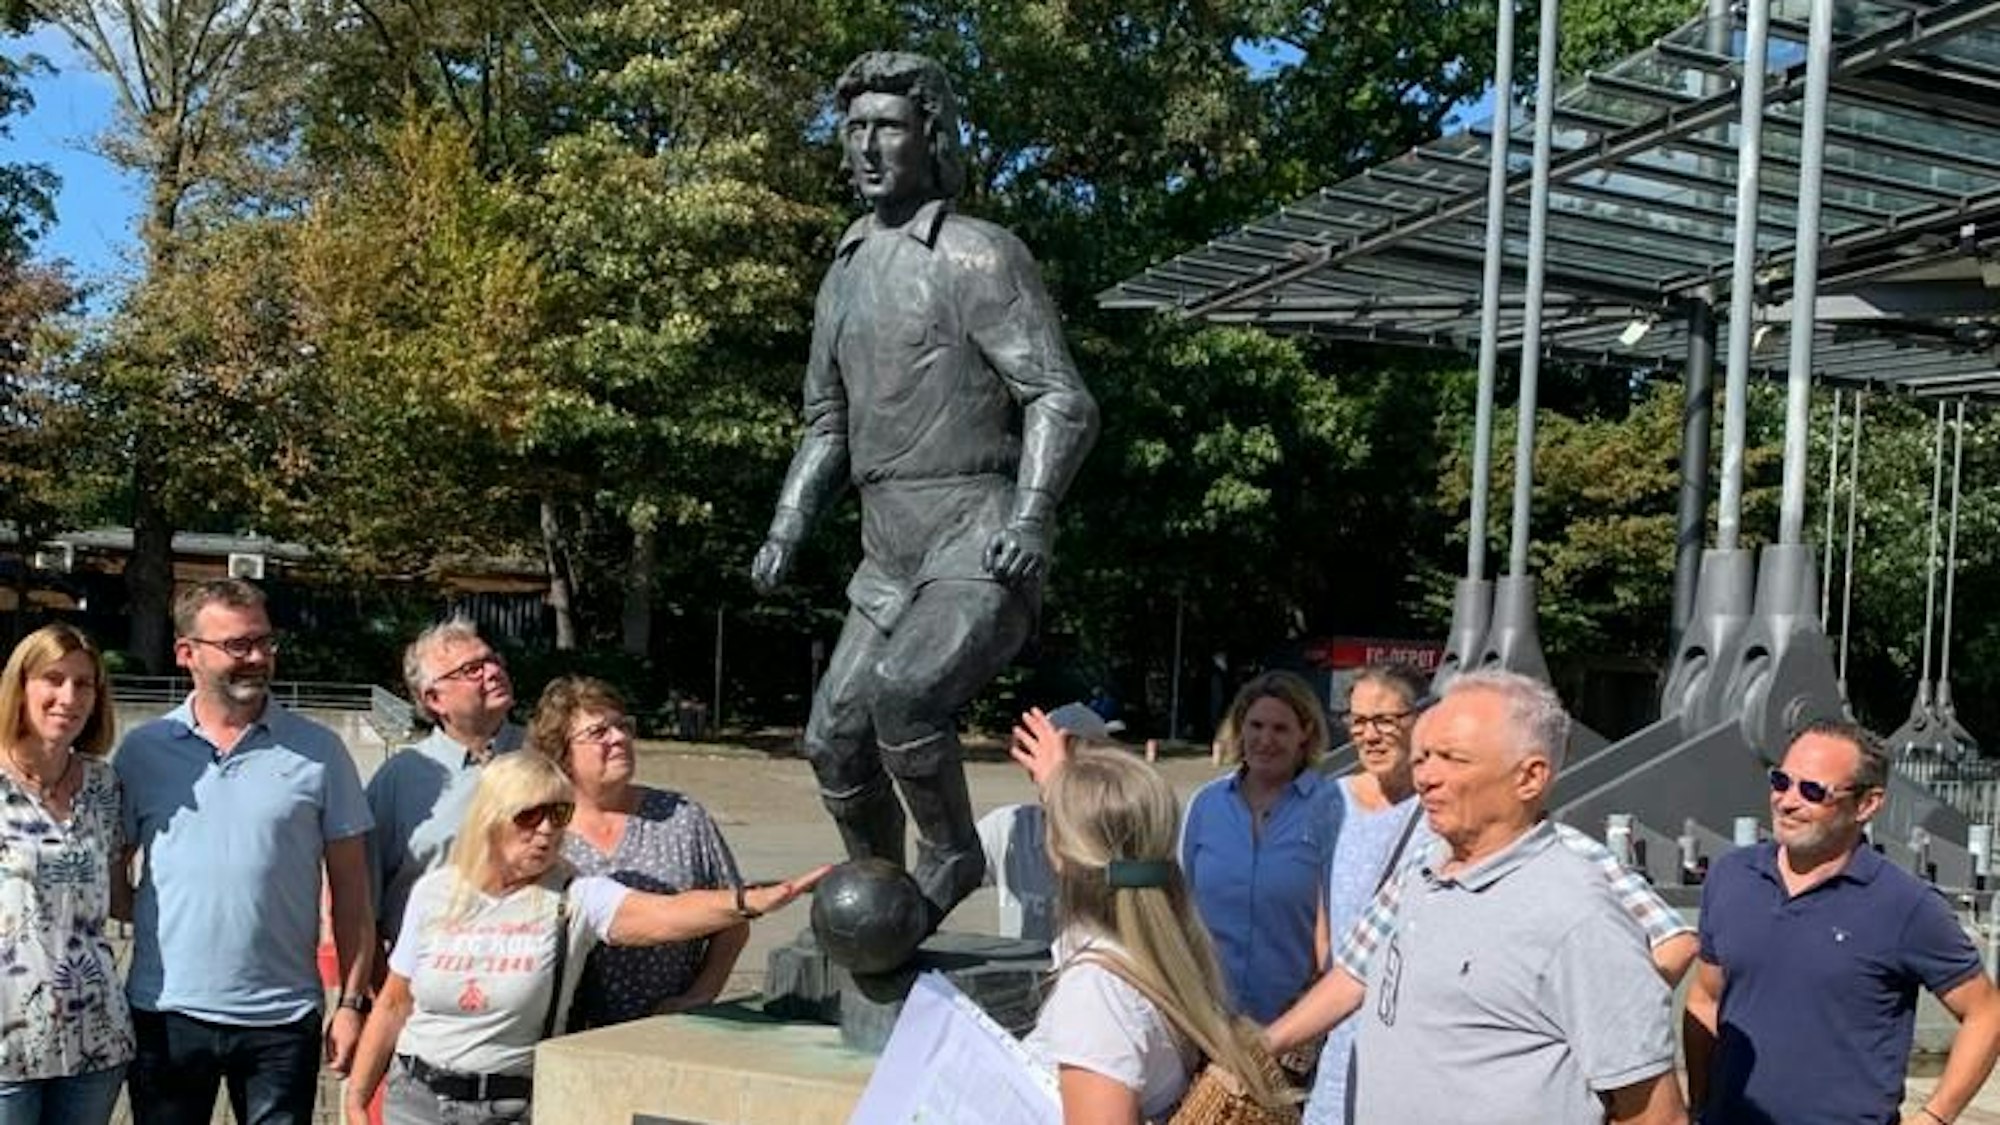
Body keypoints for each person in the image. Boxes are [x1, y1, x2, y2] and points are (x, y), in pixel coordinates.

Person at [748, 50, 1100, 942]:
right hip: (886, 553)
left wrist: (1032, 515)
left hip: (975, 539)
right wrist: (789, 524)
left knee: (906, 696)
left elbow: (1061, 397)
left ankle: (949, 856)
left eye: (890, 128)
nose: (868, 147)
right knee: (833, 735)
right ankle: (875, 899)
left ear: (930, 137)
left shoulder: (980, 255)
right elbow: (825, 424)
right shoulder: (844, 273)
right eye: (856, 128)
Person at [1282, 668, 1697, 1125]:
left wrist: (1611, 1017)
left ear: (1530, 778)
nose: (1426, 778)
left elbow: (1657, 1116)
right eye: (1422, 759)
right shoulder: (1422, 872)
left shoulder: (1575, 911)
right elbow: (1353, 975)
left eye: (1452, 759)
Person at [342, 753, 827, 1125]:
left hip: (509, 1108)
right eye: (531, 815)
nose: (548, 829)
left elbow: (666, 915)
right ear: (491, 816)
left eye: (559, 813)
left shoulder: (575, 897)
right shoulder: (435, 892)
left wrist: (753, 901)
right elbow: (393, 1006)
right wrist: (358, 1099)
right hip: (415, 1101)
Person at [116, 578, 376, 1125]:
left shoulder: (319, 751)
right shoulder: (142, 752)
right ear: (186, 653)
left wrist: (350, 1004)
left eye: (263, 642)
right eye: (238, 645)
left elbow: (352, 890)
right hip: (166, 1013)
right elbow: (112, 869)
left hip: (281, 1021)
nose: (257, 657)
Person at [1685, 721, 2000, 1125]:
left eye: (1812, 790)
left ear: (1867, 805)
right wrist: (1698, 1105)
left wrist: (1936, 1117)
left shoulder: (1906, 906)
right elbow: (1705, 998)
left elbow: (1985, 1014)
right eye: (1781, 781)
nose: (1787, 801)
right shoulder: (1730, 878)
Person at [1016, 738, 1293, 1124]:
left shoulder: (1095, 995)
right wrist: (1068, 789)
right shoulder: (1168, 948)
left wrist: (1067, 796)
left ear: (1060, 849)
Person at [528, 676, 746, 1028]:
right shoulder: (542, 827)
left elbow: (733, 921)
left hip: (668, 1031)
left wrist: (699, 996)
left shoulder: (681, 816)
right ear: (561, 753)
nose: (618, 739)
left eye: (623, 727)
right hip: (565, 1038)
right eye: (599, 733)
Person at [0, 625, 130, 1125]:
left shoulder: (104, 784)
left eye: (84, 684)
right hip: (8, 1044)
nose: (68, 697)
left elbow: (119, 900)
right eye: (53, 679)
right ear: (22, 685)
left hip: (94, 1038)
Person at [1302, 663, 1426, 1124]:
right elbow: (1323, 918)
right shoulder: (1330, 803)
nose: (1368, 735)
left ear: (1421, 718)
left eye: (1384, 721)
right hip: (1340, 1031)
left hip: (1412, 1035)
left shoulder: (1443, 808)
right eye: (1357, 721)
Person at [1180, 671, 1342, 1024]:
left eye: (1281, 729)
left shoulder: (1331, 808)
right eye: (1255, 726)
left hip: (1294, 1021)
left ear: (1306, 734)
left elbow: (1338, 915)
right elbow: (1181, 904)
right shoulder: (1207, 806)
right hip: (1208, 1018)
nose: (1265, 739)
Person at [368, 617, 523, 943]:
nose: (493, 672)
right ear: (434, 699)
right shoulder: (399, 778)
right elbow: (362, 895)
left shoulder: (548, 757)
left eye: (492, 660)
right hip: (421, 978)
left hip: (528, 974)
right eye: (472, 670)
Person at [977, 703, 1119, 943]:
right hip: (1026, 977)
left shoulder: (1122, 829)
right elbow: (951, 872)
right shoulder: (1009, 827)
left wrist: (1061, 792)